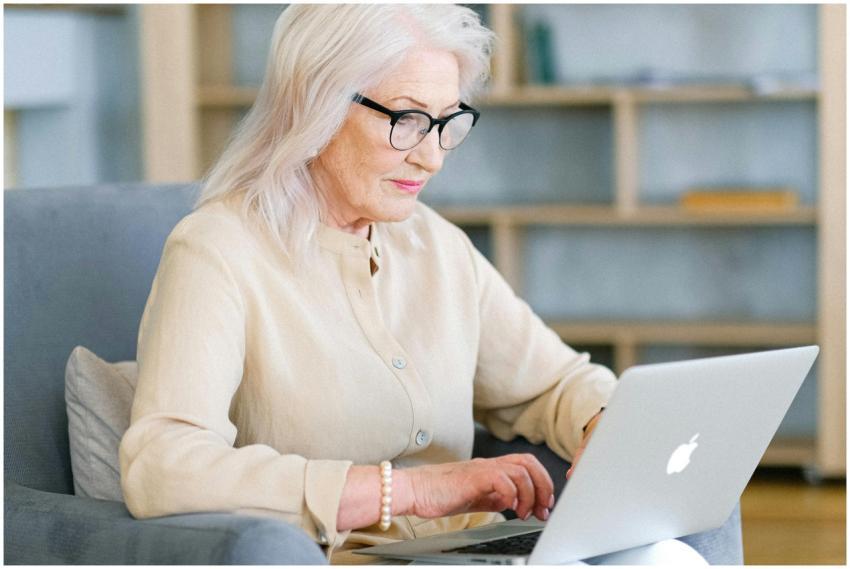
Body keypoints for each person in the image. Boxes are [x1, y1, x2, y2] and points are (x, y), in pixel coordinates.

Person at [119, 4, 704, 565]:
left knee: (668, 557)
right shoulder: (218, 249)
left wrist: (603, 422)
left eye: (447, 123)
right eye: (407, 120)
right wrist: (409, 491)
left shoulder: (437, 244)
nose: (432, 158)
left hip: (474, 548)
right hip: (338, 557)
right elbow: (163, 466)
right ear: (315, 106)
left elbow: (551, 383)